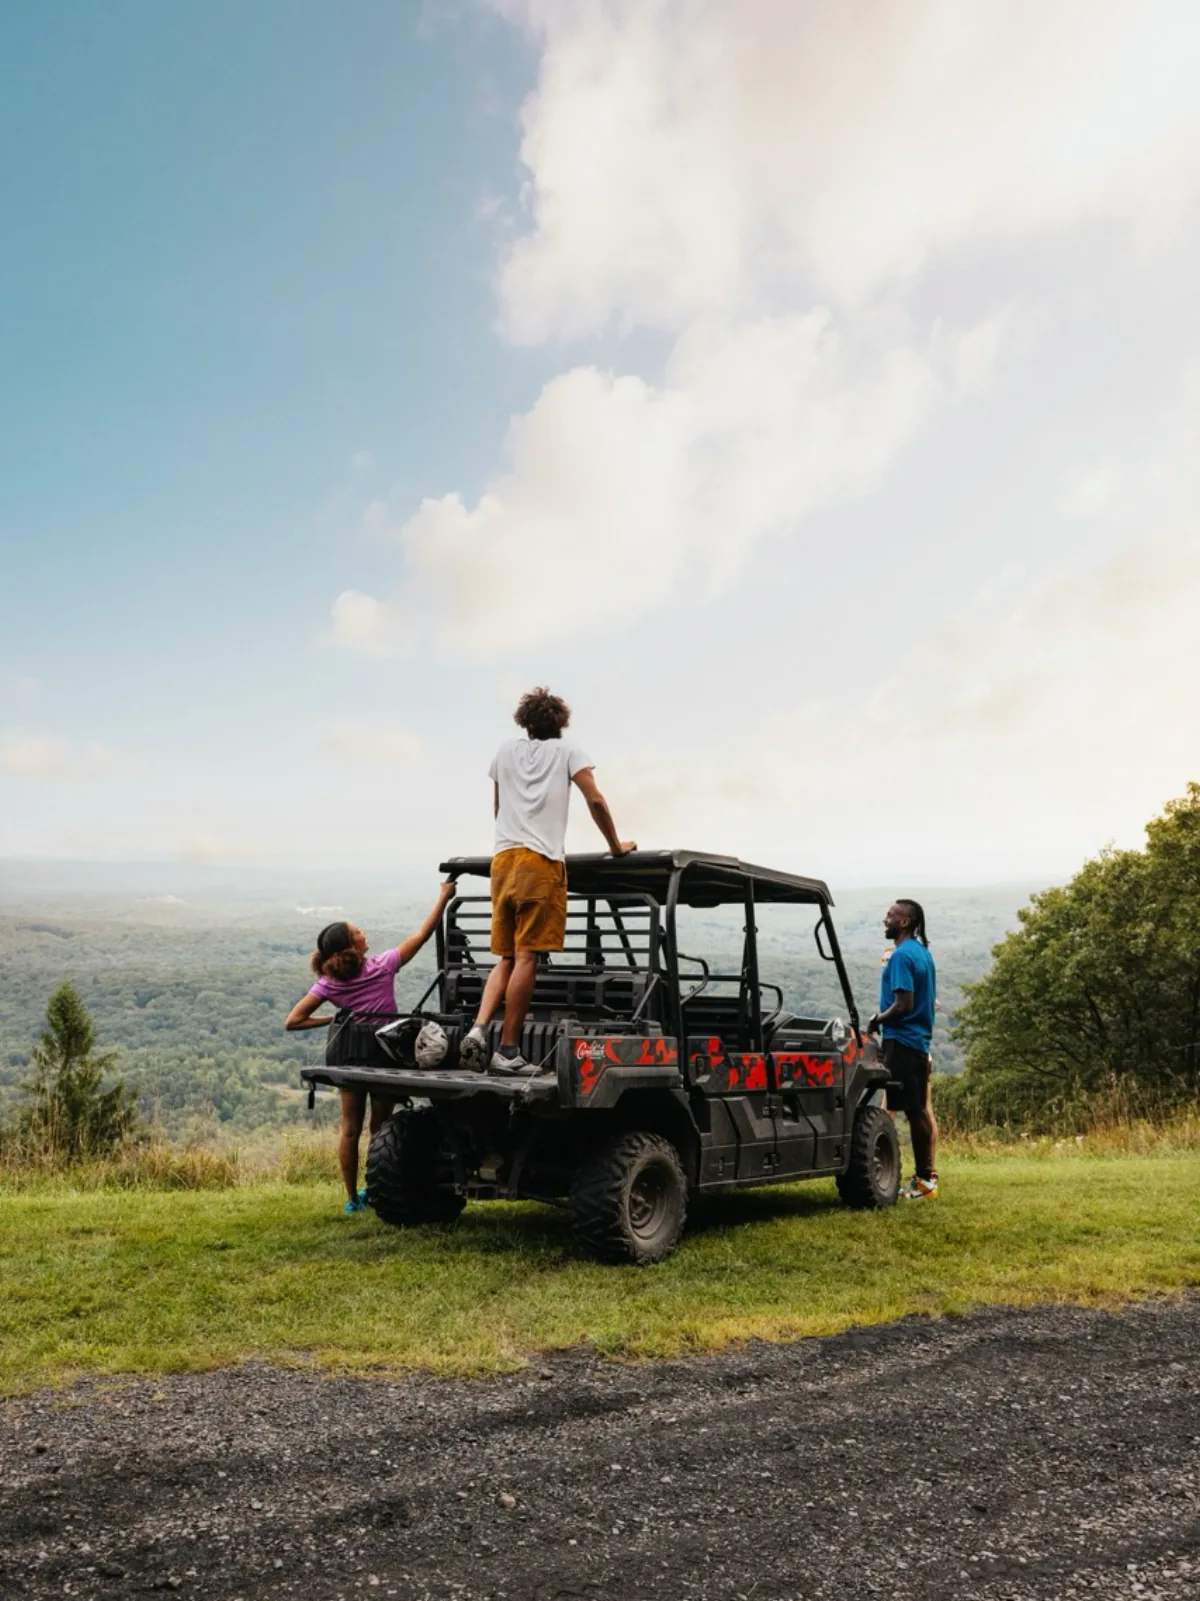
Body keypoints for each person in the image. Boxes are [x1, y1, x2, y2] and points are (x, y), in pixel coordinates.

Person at [459, 687, 636, 1076]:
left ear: (525, 721)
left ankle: (477, 1028)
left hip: (503, 860)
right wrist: (616, 846)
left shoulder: (504, 751)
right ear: (561, 722)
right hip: (539, 862)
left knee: (505, 957)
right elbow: (595, 800)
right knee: (526, 957)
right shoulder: (570, 751)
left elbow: (498, 808)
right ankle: (508, 1051)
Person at [285, 880, 455, 1212]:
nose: (363, 933)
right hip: (383, 1054)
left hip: (348, 1056)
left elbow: (293, 1020)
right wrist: (444, 897)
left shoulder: (329, 983)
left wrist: (335, 1019)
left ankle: (351, 1199)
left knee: (349, 1130)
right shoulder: (383, 965)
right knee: (380, 1128)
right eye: (358, 931)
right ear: (352, 945)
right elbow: (422, 935)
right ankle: (377, 1190)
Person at [867, 898, 939, 1199]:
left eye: (891, 915)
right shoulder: (922, 952)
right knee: (916, 1109)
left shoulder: (901, 956)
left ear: (905, 922)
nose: (886, 919)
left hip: (902, 1040)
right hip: (917, 1041)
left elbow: (903, 1004)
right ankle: (924, 1178)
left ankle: (921, 1180)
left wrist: (876, 1020)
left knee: (909, 1111)